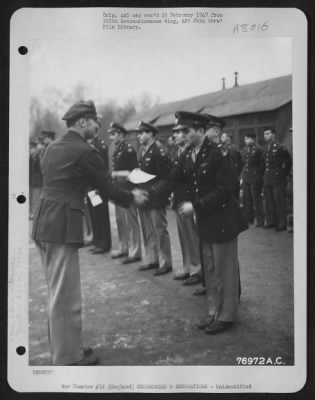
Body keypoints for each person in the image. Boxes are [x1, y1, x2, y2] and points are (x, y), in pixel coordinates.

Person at [32, 100, 147, 365]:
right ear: (82, 121)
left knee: (56, 292)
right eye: (95, 121)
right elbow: (106, 189)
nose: (98, 126)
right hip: (62, 225)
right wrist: (131, 198)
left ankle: (67, 347)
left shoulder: (52, 148)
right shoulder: (86, 151)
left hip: (43, 222)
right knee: (65, 297)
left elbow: (64, 181)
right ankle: (67, 358)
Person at [149, 111, 248, 334]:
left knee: (225, 271)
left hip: (223, 219)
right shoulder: (189, 154)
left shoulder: (218, 154)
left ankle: (227, 315)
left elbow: (227, 189)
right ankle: (214, 311)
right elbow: (173, 179)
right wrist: (150, 194)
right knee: (210, 269)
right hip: (205, 220)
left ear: (201, 132)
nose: (181, 135)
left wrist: (196, 206)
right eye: (180, 131)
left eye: (186, 131)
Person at [136, 120, 173, 276]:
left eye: (142, 133)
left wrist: (155, 191)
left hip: (156, 197)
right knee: (147, 230)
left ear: (151, 134)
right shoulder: (144, 151)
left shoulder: (159, 151)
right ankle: (152, 258)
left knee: (159, 230)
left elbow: (166, 178)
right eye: (138, 133)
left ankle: (166, 262)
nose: (139, 136)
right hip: (145, 197)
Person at [171, 126, 202, 284]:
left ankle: (197, 269)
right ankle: (187, 266)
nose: (175, 135)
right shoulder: (177, 152)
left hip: (189, 200)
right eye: (174, 132)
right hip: (178, 200)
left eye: (178, 132)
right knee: (183, 236)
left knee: (192, 235)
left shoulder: (191, 153)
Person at [108, 122, 141, 264]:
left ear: (121, 134)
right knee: (120, 221)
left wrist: (116, 174)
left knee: (131, 221)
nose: (111, 137)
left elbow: (134, 172)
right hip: (119, 189)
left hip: (128, 189)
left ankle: (135, 250)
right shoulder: (118, 149)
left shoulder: (128, 150)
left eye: (113, 134)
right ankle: (124, 247)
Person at [262, 127, 292, 231]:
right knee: (269, 201)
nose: (265, 136)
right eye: (265, 134)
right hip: (268, 178)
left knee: (279, 201)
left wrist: (283, 174)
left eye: (268, 133)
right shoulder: (265, 148)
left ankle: (282, 223)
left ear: (273, 134)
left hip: (278, 178)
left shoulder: (280, 147)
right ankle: (272, 221)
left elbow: (288, 162)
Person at [86, 135, 112, 254]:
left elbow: (102, 167)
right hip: (91, 187)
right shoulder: (87, 143)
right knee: (94, 214)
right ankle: (97, 241)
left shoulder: (100, 145)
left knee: (101, 214)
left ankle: (104, 244)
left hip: (99, 187)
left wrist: (99, 186)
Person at [241, 132, 264, 227]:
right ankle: (249, 219)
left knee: (256, 200)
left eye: (248, 139)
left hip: (255, 178)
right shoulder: (245, 150)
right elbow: (244, 164)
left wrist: (258, 175)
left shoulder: (258, 149)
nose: (246, 141)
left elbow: (262, 165)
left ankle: (260, 220)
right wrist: (242, 177)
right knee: (247, 200)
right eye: (245, 139)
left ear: (253, 139)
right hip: (246, 177)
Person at [29, 138, 43, 219]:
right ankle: (32, 212)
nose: (31, 149)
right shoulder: (32, 155)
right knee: (32, 197)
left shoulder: (37, 156)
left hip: (37, 181)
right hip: (32, 180)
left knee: (36, 197)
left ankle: (35, 213)